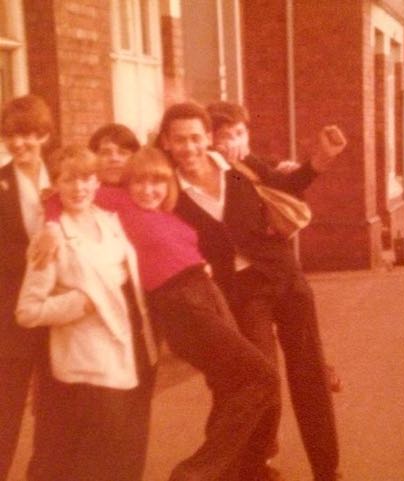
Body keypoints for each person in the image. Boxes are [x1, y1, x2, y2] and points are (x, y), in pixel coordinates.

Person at [35, 146, 280, 481]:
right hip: (179, 301)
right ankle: (197, 473)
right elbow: (55, 196)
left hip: (206, 292)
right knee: (261, 376)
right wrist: (50, 226)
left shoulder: (171, 213)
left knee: (234, 385)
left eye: (158, 182)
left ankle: (228, 470)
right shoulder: (116, 202)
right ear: (127, 183)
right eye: (140, 182)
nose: (148, 190)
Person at [155, 100, 346, 481]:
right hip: (241, 293)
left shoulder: (240, 165)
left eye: (196, 137)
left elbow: (288, 183)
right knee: (262, 379)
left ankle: (328, 470)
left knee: (309, 374)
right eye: (180, 140)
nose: (190, 147)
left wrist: (319, 161)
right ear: (166, 143)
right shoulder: (168, 190)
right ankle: (256, 465)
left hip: (285, 278)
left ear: (208, 137)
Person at [15, 145, 158, 481]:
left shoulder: (111, 221)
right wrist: (81, 303)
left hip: (128, 356)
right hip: (85, 368)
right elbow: (27, 311)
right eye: (69, 179)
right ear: (58, 184)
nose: (78, 188)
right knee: (91, 465)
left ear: (97, 183)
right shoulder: (50, 236)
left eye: (86, 178)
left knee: (122, 460)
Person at [0, 94, 53, 481]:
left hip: (58, 308)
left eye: (28, 135)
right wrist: (38, 255)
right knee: (7, 403)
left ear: (45, 135)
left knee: (56, 403)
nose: (19, 144)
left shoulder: (61, 174)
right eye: (11, 136)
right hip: (11, 309)